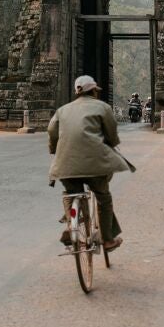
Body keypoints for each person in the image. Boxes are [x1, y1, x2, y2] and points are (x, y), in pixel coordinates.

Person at [48, 75, 132, 251]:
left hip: (66, 164)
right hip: (95, 164)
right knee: (103, 197)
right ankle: (108, 240)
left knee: (70, 193)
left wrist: (54, 150)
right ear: (94, 90)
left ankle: (71, 227)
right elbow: (112, 135)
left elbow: (52, 131)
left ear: (76, 92)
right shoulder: (102, 107)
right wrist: (111, 143)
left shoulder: (62, 110)